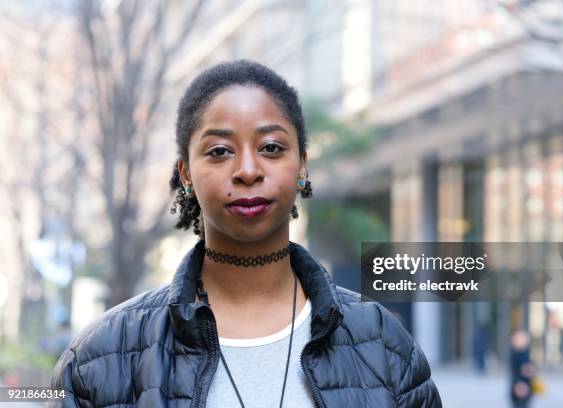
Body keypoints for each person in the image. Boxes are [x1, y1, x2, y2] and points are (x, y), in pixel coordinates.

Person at [50, 60, 442, 407]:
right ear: (186, 174)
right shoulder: (100, 358)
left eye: (271, 147)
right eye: (220, 151)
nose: (248, 170)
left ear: (302, 166)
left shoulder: (383, 343)